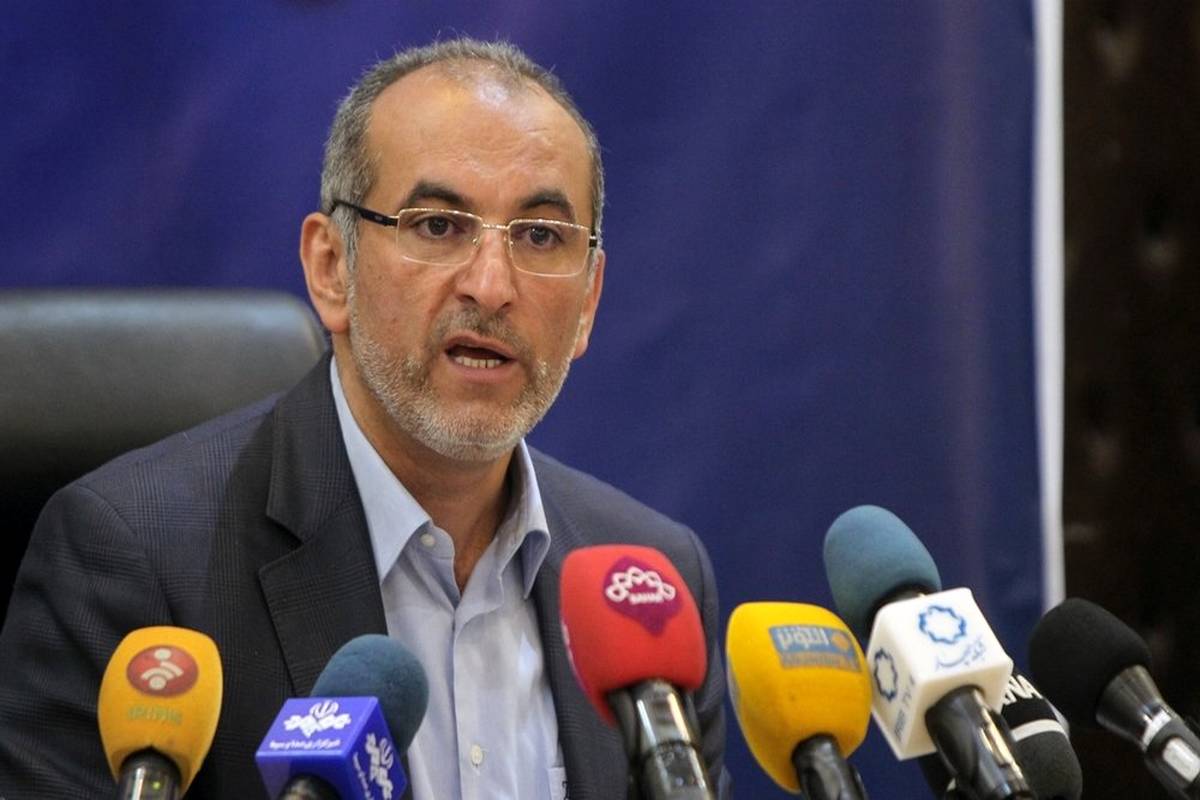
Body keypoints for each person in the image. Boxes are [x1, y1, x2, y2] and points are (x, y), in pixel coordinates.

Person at [0, 38, 730, 799]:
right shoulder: (134, 563)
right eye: (438, 226)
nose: (491, 286)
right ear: (331, 268)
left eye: (541, 236)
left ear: (587, 303)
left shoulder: (651, 588)